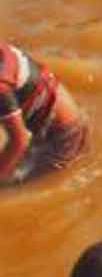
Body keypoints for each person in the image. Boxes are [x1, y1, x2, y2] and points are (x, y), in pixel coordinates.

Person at [0, 39, 88, 183]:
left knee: (12, 188)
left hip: (62, 137)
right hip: (54, 114)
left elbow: (20, 140)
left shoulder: (1, 86)